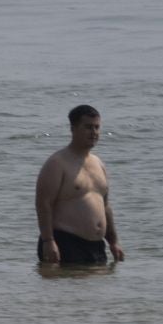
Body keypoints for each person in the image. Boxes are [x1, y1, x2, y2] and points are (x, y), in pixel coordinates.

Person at [35, 103, 124, 265]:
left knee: (97, 290)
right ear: (73, 128)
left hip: (96, 247)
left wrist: (113, 241)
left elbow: (105, 206)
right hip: (65, 243)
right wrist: (48, 241)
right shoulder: (57, 163)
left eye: (97, 128)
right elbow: (43, 204)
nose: (94, 133)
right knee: (68, 290)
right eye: (88, 127)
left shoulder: (99, 164)